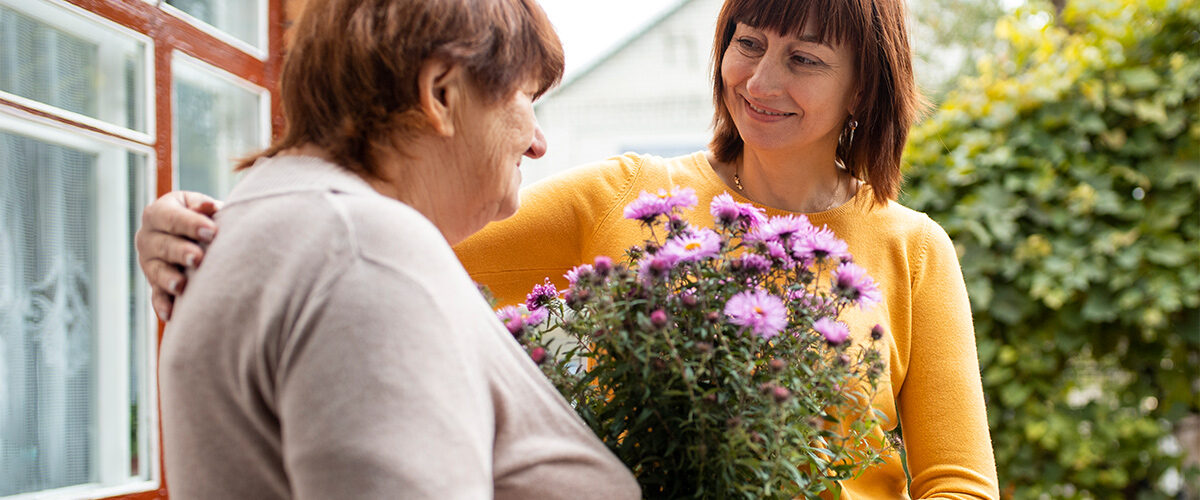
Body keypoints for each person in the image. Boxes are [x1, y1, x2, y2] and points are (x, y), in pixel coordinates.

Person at [138, 0, 999, 497]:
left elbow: (957, 482)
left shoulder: (913, 249)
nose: (760, 79)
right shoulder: (629, 197)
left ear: (862, 91)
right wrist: (205, 224)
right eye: (748, 42)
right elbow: (378, 221)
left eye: (805, 59)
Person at [151, 0, 640, 498]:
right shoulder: (364, 251)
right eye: (525, 95)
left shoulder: (281, 224)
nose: (538, 142)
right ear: (442, 93)